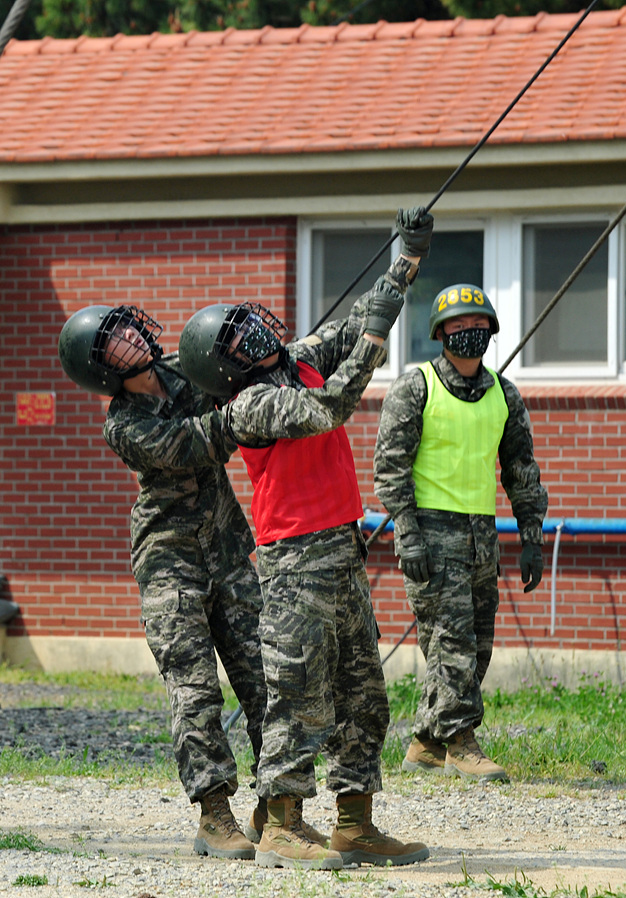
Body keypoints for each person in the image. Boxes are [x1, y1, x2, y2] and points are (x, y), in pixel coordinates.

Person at [178, 208, 435, 870]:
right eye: (242, 338)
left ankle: (355, 825)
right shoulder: (250, 405)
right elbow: (335, 405)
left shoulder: (295, 361)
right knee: (295, 699)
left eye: (255, 326)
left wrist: (404, 259)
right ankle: (284, 825)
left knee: (362, 697)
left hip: (342, 556)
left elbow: (353, 324)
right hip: (294, 566)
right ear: (225, 367)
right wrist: (375, 335)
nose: (261, 334)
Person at [57, 303, 268, 861]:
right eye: (114, 341)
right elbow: (201, 442)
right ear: (103, 370)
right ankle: (215, 815)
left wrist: (252, 366)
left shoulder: (182, 368)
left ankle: (279, 802)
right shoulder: (124, 425)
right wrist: (249, 405)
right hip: (168, 562)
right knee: (195, 690)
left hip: (227, 548)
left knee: (264, 678)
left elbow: (232, 377)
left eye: (126, 328)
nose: (131, 336)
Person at [372, 284, 549, 783]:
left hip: (482, 539)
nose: (468, 334)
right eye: (457, 326)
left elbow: (521, 469)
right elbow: (390, 467)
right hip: (430, 537)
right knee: (451, 644)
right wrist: (406, 533)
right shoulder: (416, 387)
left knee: (479, 646)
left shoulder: (504, 394)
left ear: (491, 331)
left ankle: (427, 742)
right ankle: (461, 742)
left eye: (477, 325)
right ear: (439, 333)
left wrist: (532, 537)